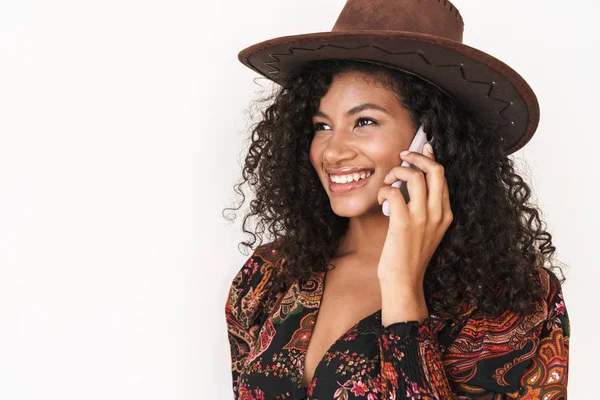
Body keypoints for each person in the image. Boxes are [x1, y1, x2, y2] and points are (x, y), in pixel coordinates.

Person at [223, 0, 569, 398]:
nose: (332, 151)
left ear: (434, 138)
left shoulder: (512, 301)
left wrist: (403, 286)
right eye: (321, 125)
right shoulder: (267, 276)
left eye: (364, 121)